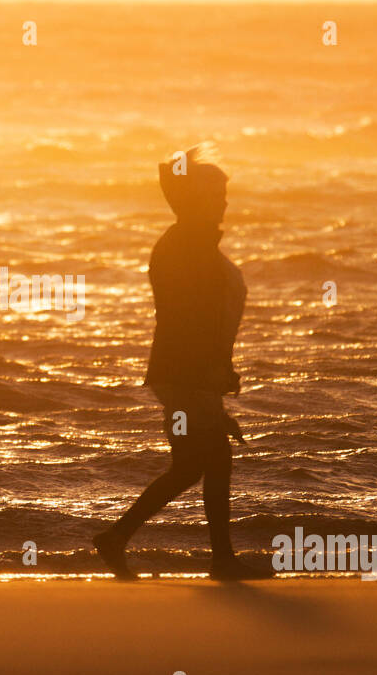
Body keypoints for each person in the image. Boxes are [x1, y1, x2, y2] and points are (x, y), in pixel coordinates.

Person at [93, 143, 266, 581]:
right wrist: (209, 383)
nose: (225, 202)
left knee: (192, 465)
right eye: (217, 195)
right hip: (183, 372)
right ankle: (220, 559)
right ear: (197, 199)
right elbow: (191, 320)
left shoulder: (191, 242)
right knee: (208, 460)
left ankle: (119, 537)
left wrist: (213, 389)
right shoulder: (187, 246)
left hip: (182, 373)